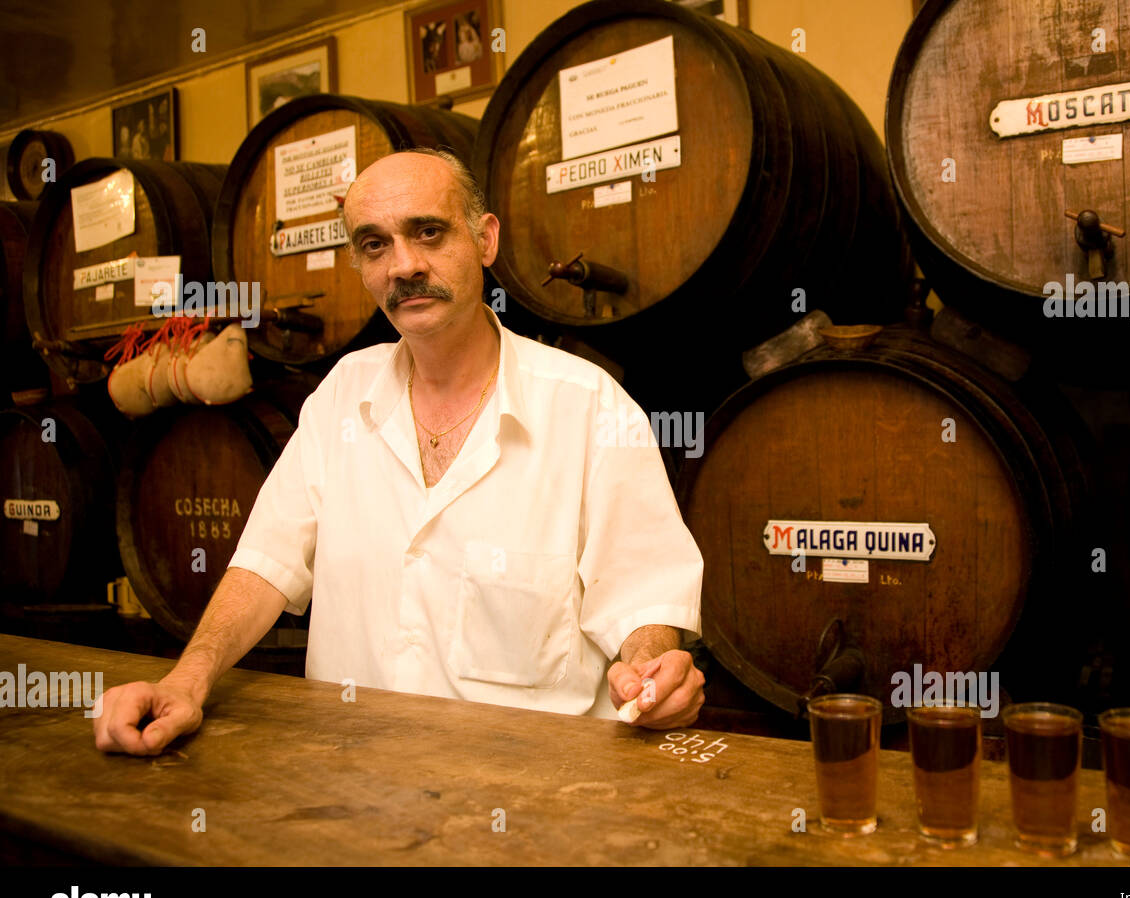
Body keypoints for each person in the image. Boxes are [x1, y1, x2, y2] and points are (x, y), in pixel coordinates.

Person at [93, 148, 706, 757]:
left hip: (531, 799)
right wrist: (188, 677)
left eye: (429, 232)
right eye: (374, 244)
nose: (403, 266)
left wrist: (649, 671)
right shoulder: (341, 396)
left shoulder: (589, 406)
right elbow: (264, 563)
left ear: (485, 239)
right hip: (351, 789)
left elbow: (641, 594)